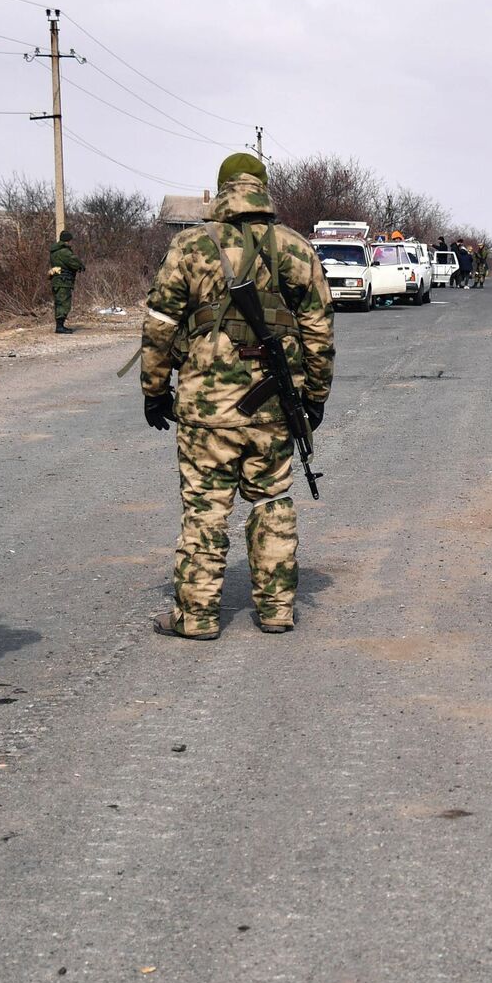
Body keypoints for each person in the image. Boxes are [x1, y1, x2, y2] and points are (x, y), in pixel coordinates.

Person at [139, 153, 336, 640]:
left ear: (222, 189)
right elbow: (319, 330)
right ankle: (277, 610)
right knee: (272, 501)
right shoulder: (295, 248)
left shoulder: (189, 245)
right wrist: (314, 396)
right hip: (272, 409)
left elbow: (160, 324)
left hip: (206, 411)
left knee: (205, 508)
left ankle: (198, 616)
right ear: (263, 190)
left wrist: (154, 389)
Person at [48, 229, 85, 334]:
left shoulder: (54, 250)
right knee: (64, 303)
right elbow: (74, 262)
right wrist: (81, 266)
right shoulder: (64, 252)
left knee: (59, 302)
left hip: (57, 280)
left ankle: (60, 325)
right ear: (67, 240)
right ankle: (60, 327)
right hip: (63, 281)